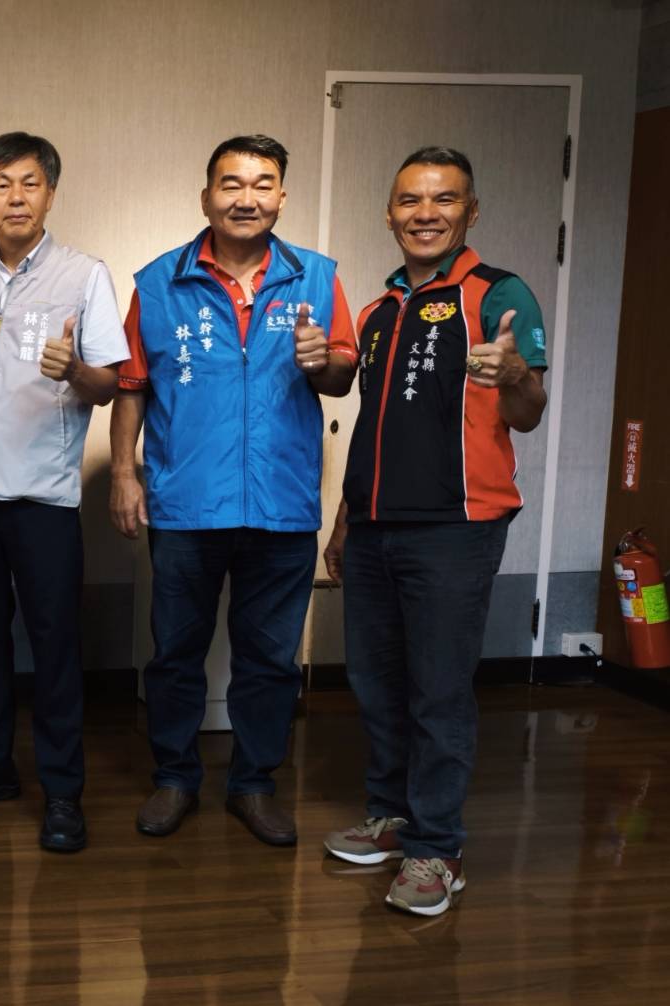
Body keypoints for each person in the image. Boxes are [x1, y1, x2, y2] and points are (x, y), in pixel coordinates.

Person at [109, 135, 357, 847]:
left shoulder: (317, 278)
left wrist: (321, 363)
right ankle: (174, 777)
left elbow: (341, 376)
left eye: (262, 183)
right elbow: (131, 385)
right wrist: (123, 473)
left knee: (269, 660)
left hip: (281, 502)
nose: (246, 198)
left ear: (281, 196)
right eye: (231, 184)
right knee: (174, 653)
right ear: (205, 197)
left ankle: (253, 784)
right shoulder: (158, 281)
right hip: (185, 502)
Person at [323, 146, 548, 916]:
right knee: (375, 683)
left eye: (443, 199)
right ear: (389, 214)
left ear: (469, 212)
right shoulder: (379, 311)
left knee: (437, 692)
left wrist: (512, 376)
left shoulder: (497, 294)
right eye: (410, 200)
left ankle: (436, 848)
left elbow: (528, 412)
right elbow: (375, 428)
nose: (425, 214)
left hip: (456, 527)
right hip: (373, 526)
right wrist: (345, 520)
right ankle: (391, 818)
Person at [0, 132, 127, 853]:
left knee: (53, 647)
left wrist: (74, 369)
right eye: (1, 185)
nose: (16, 197)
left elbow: (108, 385)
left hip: (42, 498)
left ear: (50, 194)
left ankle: (63, 792)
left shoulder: (84, 275)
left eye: (30, 184)